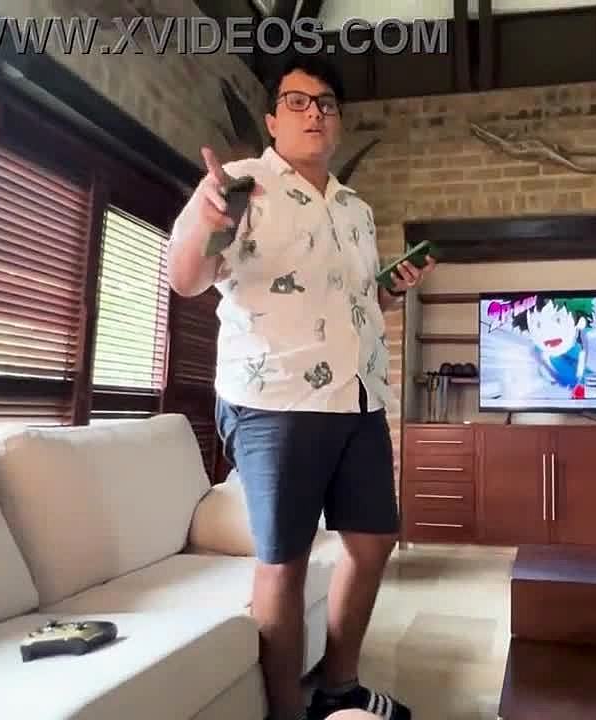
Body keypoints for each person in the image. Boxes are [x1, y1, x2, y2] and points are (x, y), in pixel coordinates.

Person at [166, 54, 433, 720]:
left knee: (372, 541)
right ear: (272, 119)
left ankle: (338, 688)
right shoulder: (238, 185)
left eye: (326, 104)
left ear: (336, 121)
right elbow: (187, 279)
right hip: (275, 398)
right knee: (283, 561)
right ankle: (285, 712)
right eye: (297, 101)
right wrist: (205, 223)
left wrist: (389, 293)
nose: (314, 113)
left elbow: (354, 300)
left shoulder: (355, 208)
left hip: (358, 396)